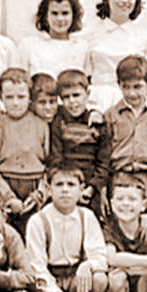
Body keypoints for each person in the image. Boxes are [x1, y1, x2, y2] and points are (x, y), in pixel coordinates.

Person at [26, 161, 109, 292]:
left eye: (71, 185)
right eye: (59, 185)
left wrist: (87, 265)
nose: (65, 190)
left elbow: (100, 256)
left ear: (81, 190)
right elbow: (37, 267)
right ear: (48, 189)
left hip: (75, 276)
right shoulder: (38, 221)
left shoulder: (86, 216)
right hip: (49, 277)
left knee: (100, 280)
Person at [103, 55, 147, 212]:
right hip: (119, 177)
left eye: (137, 87)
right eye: (126, 87)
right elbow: (104, 155)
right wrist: (103, 189)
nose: (132, 93)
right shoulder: (111, 115)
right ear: (119, 85)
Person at [0, 68, 49, 234]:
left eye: (21, 97)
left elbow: (50, 165)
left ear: (30, 98)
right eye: (9, 97)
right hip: (6, 185)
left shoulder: (41, 124)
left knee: (34, 235)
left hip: (34, 188)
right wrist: (9, 197)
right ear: (0, 97)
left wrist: (40, 193)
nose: (15, 102)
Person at [83, 0, 147, 112]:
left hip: (132, 100)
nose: (125, 0)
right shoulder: (90, 34)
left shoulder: (144, 36)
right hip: (97, 101)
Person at [50, 69, 110, 216]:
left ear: (87, 94)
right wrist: (67, 185)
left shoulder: (98, 123)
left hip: (90, 188)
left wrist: (92, 188)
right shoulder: (59, 122)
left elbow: (104, 162)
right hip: (65, 185)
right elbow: (56, 157)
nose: (72, 102)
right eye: (66, 97)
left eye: (76, 95)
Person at [18, 0, 91, 79]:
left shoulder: (82, 47)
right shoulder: (29, 45)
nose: (60, 19)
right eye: (54, 13)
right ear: (45, 16)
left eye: (65, 13)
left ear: (74, 15)